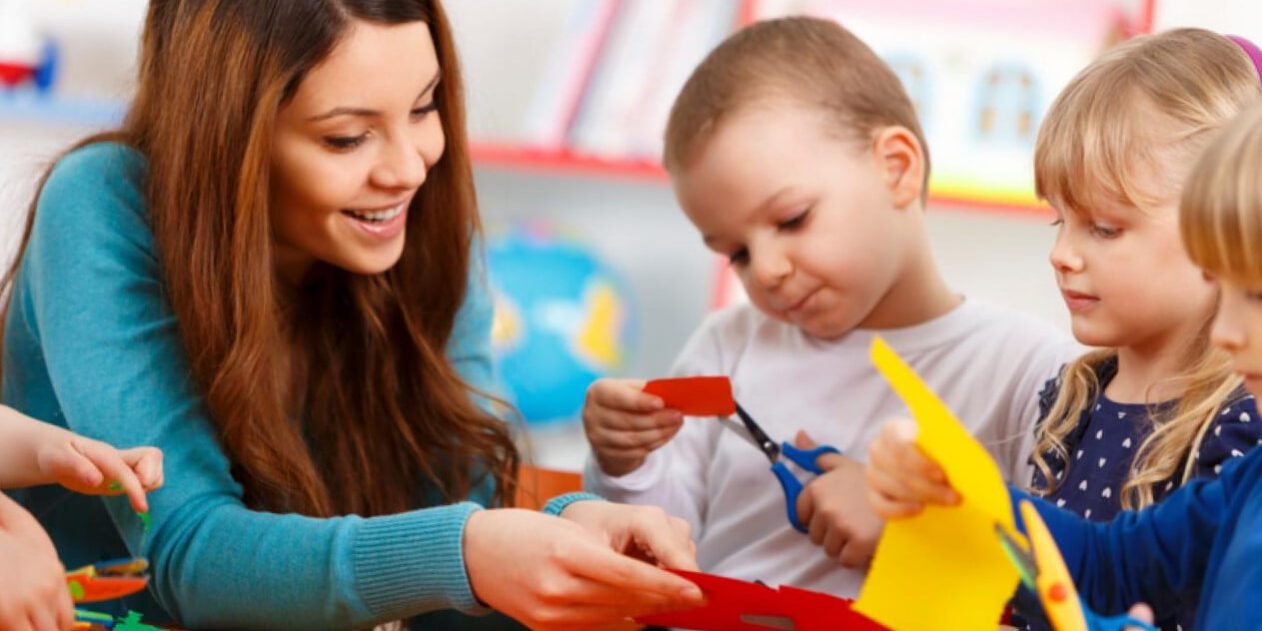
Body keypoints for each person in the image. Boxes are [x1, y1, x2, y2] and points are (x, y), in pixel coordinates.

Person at [2, 2, 702, 629]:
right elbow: (190, 554)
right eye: (346, 138)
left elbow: (457, 505)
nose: (409, 168)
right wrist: (470, 551)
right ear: (225, 135)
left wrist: (571, 527)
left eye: (424, 107)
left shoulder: (413, 225)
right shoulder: (103, 205)